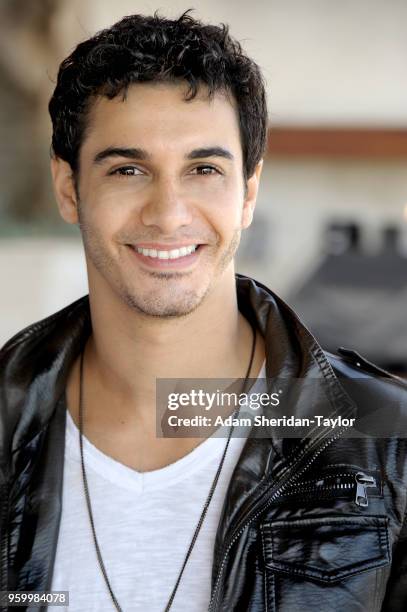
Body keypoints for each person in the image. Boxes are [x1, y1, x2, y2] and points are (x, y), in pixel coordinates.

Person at [0, 11, 407, 612]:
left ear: (247, 191)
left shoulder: (388, 440)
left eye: (204, 169)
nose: (168, 213)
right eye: (128, 169)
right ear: (68, 188)